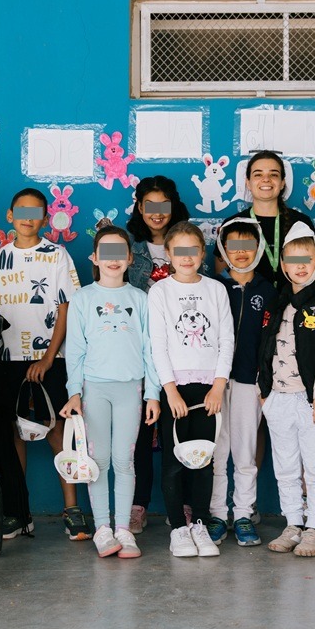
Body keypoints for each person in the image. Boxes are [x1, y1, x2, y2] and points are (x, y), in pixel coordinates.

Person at [0, 188, 88, 541]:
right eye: (21, 211)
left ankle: (72, 509)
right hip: (9, 360)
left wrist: (47, 356)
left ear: (45, 218)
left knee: (57, 431)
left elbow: (65, 308)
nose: (28, 217)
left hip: (50, 359)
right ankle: (19, 511)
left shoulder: (57, 255)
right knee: (14, 434)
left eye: (36, 211)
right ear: (10, 217)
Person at [61, 227, 161, 559]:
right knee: (98, 461)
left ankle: (124, 530)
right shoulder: (83, 299)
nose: (114, 259)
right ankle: (103, 529)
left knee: (124, 460)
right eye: (106, 252)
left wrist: (154, 394)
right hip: (94, 389)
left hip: (131, 388)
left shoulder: (141, 298)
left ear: (130, 258)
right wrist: (74, 392)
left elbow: (151, 350)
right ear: (94, 258)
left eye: (120, 252)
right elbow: (74, 350)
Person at [125, 175, 207, 532]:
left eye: (164, 206)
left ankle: (188, 505)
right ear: (140, 208)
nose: (157, 214)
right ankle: (138, 504)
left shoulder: (189, 242)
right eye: (149, 206)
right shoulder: (127, 245)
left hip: (185, 354)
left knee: (185, 432)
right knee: (140, 434)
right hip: (140, 351)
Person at [147, 222, 234, 558]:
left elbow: (227, 339)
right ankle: (178, 529)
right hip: (177, 390)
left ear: (202, 253)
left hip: (209, 389)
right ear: (168, 254)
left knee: (203, 460)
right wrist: (170, 391)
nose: (186, 258)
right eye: (178, 251)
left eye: (193, 250)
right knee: (174, 462)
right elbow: (158, 345)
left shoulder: (216, 290)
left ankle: (199, 523)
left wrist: (218, 385)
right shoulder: (160, 292)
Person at [257, 222, 315, 557]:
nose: (300, 265)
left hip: (312, 400)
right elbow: (265, 347)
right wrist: (265, 393)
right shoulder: (277, 303)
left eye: (308, 258)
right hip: (278, 399)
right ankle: (293, 522)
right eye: (293, 259)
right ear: (283, 264)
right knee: (287, 467)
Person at [207, 216, 275, 547]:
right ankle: (218, 515)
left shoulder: (270, 291)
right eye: (234, 245)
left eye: (248, 245)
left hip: (252, 382)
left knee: (245, 454)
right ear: (223, 248)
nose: (242, 251)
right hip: (215, 384)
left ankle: (244, 514)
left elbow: (275, 342)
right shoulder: (212, 287)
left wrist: (267, 382)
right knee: (218, 452)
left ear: (259, 248)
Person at [220, 150, 315, 291]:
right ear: (248, 183)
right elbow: (222, 279)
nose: (266, 179)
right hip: (248, 309)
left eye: (273, 174)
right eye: (258, 174)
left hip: (293, 308)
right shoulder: (233, 225)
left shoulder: (300, 223)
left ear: (282, 183)